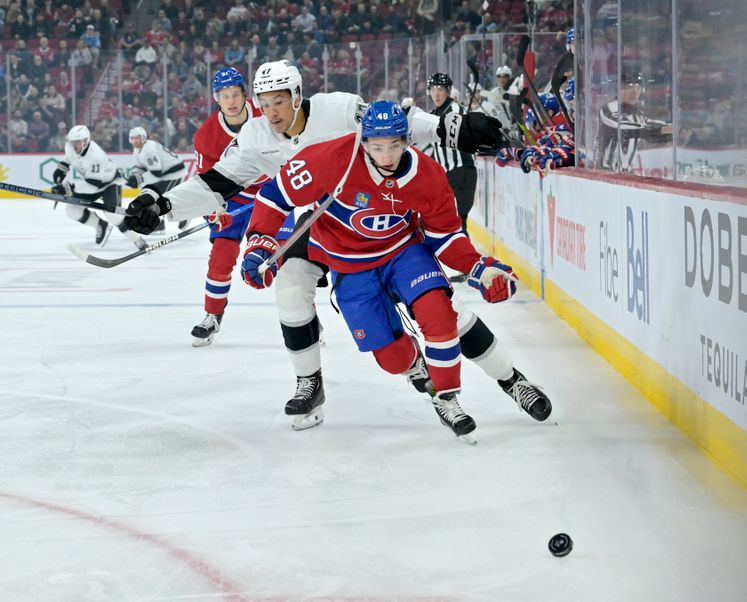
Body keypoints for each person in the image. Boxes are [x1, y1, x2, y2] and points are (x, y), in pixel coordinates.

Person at [123, 60, 549, 431]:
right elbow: (216, 183)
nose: (271, 112)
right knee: (289, 290)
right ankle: (311, 384)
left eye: (279, 100)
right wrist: (162, 204)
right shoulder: (254, 137)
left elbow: (393, 123)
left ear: (297, 94)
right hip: (313, 227)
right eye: (264, 102)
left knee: (444, 314)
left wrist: (445, 128)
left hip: (376, 225)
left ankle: (513, 380)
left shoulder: (339, 109)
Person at [240, 100, 520, 442]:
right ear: (363, 141)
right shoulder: (330, 159)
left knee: (442, 313)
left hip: (402, 252)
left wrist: (479, 268)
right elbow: (275, 193)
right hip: (347, 261)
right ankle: (411, 364)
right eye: (377, 147)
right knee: (389, 358)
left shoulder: (426, 174)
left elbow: (446, 236)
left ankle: (469, 392)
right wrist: (259, 241)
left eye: (394, 146)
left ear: (406, 141)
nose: (386, 156)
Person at [189, 67, 265, 347]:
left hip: (272, 196)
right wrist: (215, 207)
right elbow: (207, 182)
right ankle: (212, 315)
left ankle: (307, 319)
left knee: (283, 261)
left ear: (246, 95)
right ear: (215, 98)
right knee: (221, 257)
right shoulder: (207, 135)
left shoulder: (266, 115)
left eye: (236, 94)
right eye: (224, 96)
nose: (231, 101)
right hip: (233, 199)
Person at [52, 125, 146, 250]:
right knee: (72, 210)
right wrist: (60, 173)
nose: (74, 146)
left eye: (77, 143)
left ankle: (138, 241)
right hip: (92, 183)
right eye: (72, 142)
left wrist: (68, 189)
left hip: (109, 184)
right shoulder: (70, 147)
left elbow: (92, 186)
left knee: (113, 216)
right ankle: (100, 225)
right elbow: (67, 160)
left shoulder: (95, 155)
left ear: (85, 141)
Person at [421, 73, 478, 257]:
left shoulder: (454, 109)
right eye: (433, 89)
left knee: (458, 219)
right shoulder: (432, 114)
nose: (436, 94)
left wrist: (417, 118)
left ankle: (468, 263)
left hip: (462, 171)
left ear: (448, 92)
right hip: (447, 175)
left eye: (440, 90)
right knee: (450, 219)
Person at [594, 69, 672, 172]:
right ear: (619, 89)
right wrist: (657, 129)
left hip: (626, 172)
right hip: (604, 171)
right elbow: (624, 126)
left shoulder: (638, 114)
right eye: (629, 87)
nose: (634, 92)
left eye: (638, 87)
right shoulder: (609, 108)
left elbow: (649, 128)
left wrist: (672, 129)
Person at [127, 126, 188, 233]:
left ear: (143, 137)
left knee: (164, 197)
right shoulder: (138, 150)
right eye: (133, 138)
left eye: (137, 138)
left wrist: (139, 179)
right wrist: (134, 174)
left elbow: (157, 173)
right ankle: (160, 223)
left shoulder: (149, 149)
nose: (135, 140)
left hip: (174, 172)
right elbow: (142, 167)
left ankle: (185, 215)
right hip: (166, 173)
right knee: (156, 197)